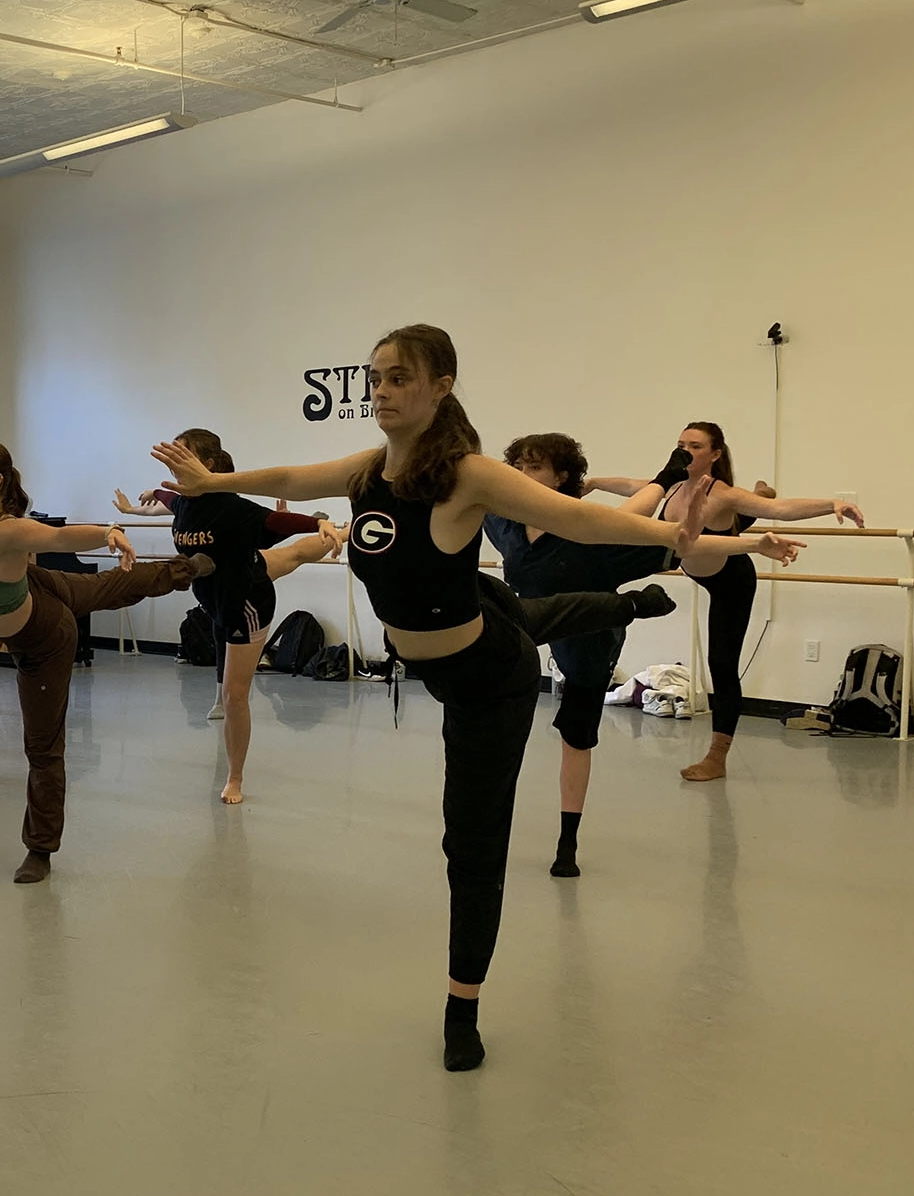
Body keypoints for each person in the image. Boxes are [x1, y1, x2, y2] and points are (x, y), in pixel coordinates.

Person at [154, 325, 806, 1071]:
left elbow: (582, 520)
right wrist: (208, 486)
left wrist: (677, 534)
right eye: (375, 378)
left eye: (400, 377)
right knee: (527, 612)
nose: (383, 390)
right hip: (472, 613)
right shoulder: (370, 469)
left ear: (442, 386)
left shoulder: (469, 475)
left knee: (470, 841)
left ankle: (461, 1008)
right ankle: (624, 607)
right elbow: (297, 478)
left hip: (484, 678)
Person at [0, 437, 209, 883]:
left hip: (44, 639)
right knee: (110, 587)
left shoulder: (7, 531)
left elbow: (60, 536)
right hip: (38, 587)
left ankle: (39, 850)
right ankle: (187, 568)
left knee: (42, 749)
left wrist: (108, 533)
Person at [584, 421, 865, 781]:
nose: (685, 450)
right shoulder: (668, 487)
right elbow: (629, 486)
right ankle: (755, 499)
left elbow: (780, 509)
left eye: (696, 446)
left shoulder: (723, 494)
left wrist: (832, 503)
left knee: (722, 663)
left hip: (729, 578)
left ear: (715, 454)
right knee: (732, 516)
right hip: (698, 562)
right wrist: (592, 483)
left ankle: (717, 757)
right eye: (681, 443)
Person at [114, 428, 343, 803]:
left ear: (206, 465)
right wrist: (139, 502)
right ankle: (337, 530)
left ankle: (234, 777)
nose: (172, 459)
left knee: (236, 696)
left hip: (246, 600)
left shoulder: (230, 507)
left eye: (181, 453)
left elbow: (274, 522)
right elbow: (165, 499)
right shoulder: (185, 502)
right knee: (292, 557)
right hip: (230, 580)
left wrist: (314, 523)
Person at [485, 434, 679, 877]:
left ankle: (567, 841)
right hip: (532, 619)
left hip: (590, 630)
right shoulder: (506, 524)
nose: (522, 475)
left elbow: (644, 523)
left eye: (534, 467)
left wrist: (674, 488)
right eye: (517, 466)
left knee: (577, 731)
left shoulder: (585, 530)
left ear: (563, 477)